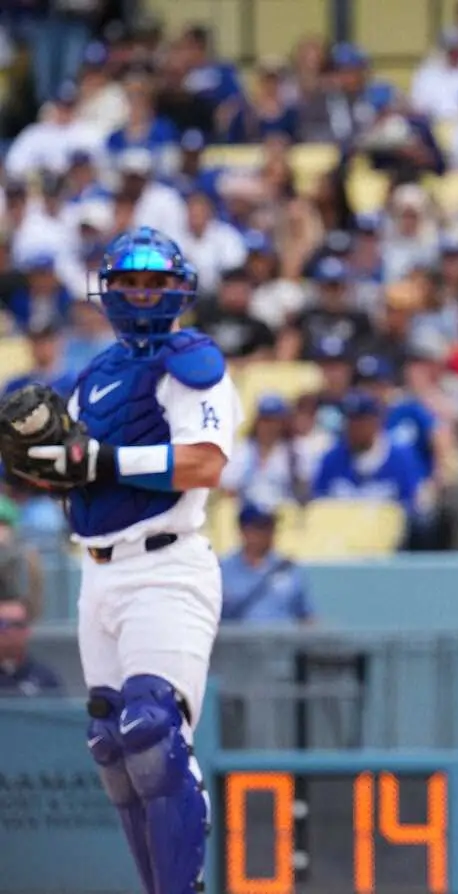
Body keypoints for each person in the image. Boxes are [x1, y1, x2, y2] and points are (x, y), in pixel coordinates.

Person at [20, 227, 242, 894]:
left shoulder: (191, 359)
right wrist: (43, 468)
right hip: (98, 571)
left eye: (154, 282)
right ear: (107, 292)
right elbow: (78, 476)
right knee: (112, 750)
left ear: (178, 290)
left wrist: (103, 460)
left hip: (166, 566)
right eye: (129, 283)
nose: (142, 294)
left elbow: (206, 463)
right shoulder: (92, 376)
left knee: (152, 729)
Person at [219, 505, 313, 624]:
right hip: (239, 641)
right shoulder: (223, 570)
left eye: (271, 526)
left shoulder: (288, 569)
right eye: (261, 527)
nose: (268, 533)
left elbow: (307, 616)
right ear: (243, 530)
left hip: (283, 640)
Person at [0, 599, 61, 697]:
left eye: (17, 625)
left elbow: (58, 710)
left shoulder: (44, 678)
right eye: (2, 624)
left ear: (27, 631)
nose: (9, 631)